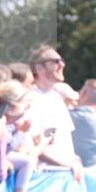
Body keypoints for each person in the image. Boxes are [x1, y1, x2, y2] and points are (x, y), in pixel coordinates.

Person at [26, 44, 83, 181]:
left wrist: (75, 161)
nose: (62, 64)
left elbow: (66, 142)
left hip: (64, 180)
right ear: (39, 68)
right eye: (56, 61)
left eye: (62, 60)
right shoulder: (29, 99)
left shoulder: (57, 98)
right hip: (41, 179)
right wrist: (66, 165)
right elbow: (31, 145)